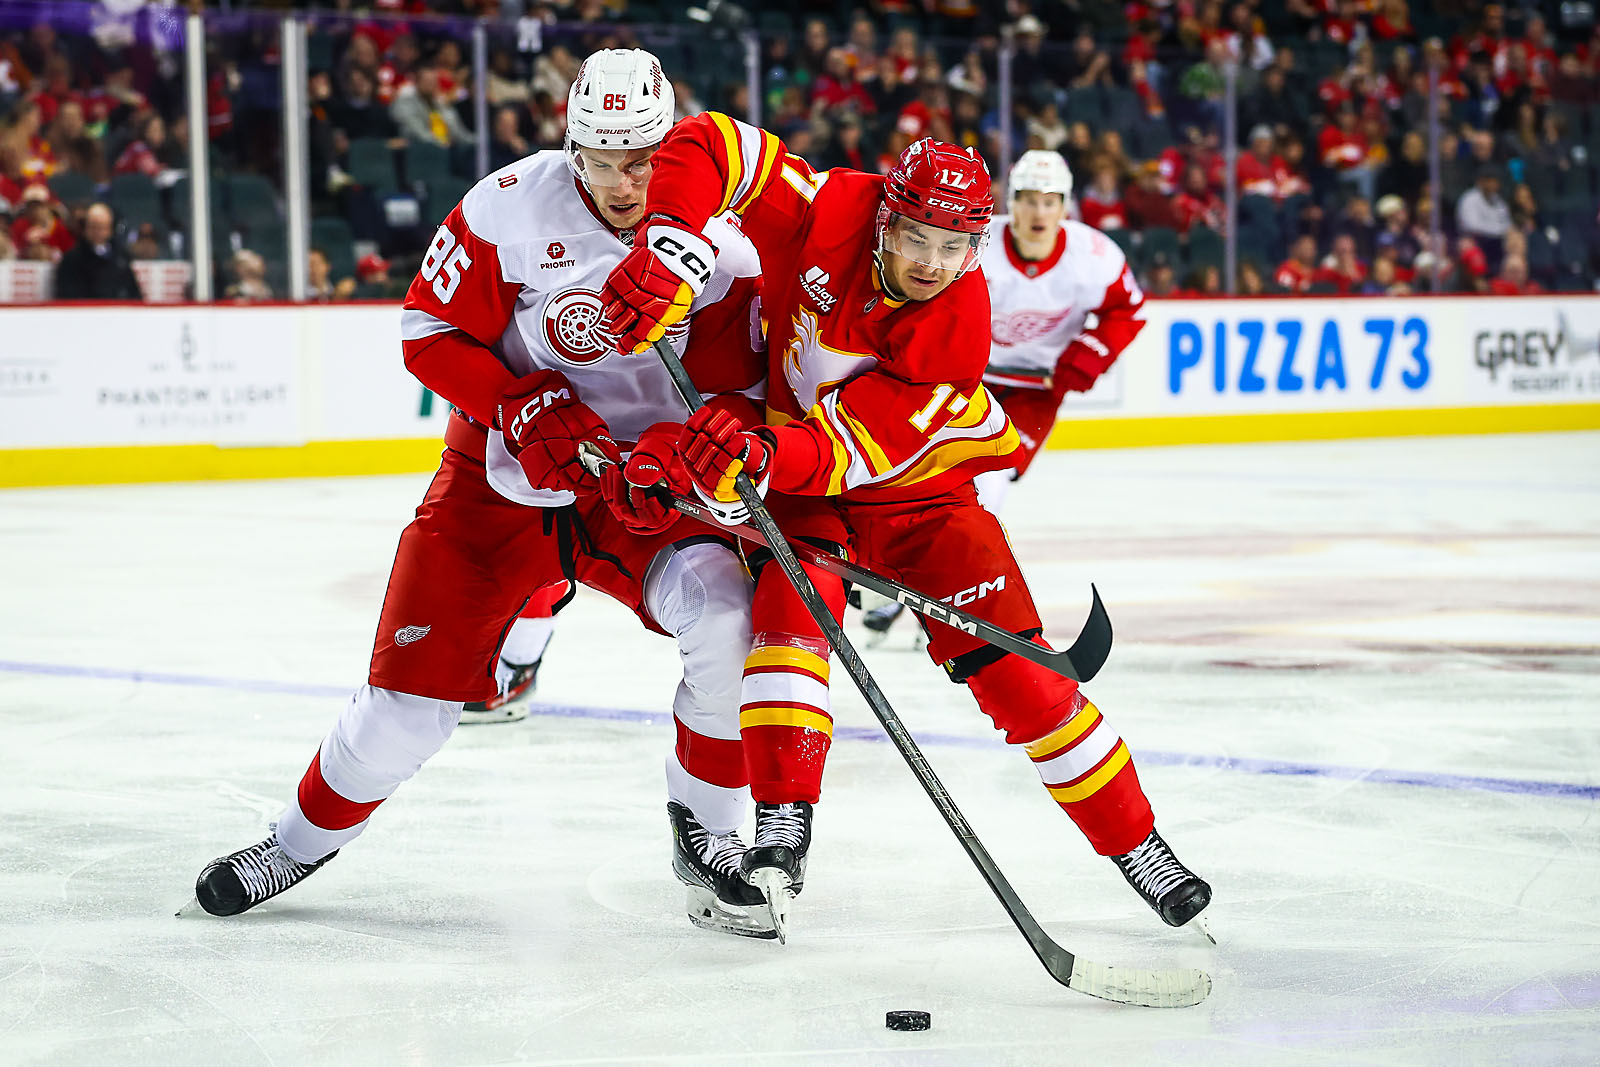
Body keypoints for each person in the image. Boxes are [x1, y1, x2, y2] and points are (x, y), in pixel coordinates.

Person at [193, 49, 776, 940]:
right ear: (572, 147)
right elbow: (427, 329)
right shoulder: (508, 206)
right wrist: (517, 401)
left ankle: (713, 836)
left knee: (728, 620)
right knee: (406, 709)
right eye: (605, 161)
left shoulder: (730, 238)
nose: (627, 184)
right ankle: (293, 843)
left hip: (640, 488)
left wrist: (680, 450)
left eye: (646, 160)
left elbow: (747, 387)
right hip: (501, 477)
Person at [598, 118, 1211, 941]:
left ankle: (1140, 846)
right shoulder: (829, 208)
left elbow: (842, 450)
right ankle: (782, 819)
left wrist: (762, 452)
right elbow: (711, 143)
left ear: (975, 248)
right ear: (885, 217)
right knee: (790, 610)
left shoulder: (956, 327)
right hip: (807, 487)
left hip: (921, 498)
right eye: (917, 237)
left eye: (953, 247)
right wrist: (670, 241)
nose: (931, 261)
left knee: (1025, 681)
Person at [53, 202, 142, 300]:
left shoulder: (121, 257)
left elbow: (133, 292)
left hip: (118, 308)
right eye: (93, 227)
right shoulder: (72, 259)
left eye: (102, 227)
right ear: (85, 228)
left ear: (110, 229)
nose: (97, 232)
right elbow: (67, 294)